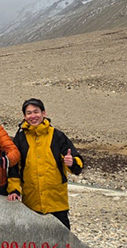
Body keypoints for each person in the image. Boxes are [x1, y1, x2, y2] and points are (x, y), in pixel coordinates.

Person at [7, 98, 84, 230]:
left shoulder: (57, 136)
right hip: (31, 202)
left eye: (36, 112)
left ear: (44, 113)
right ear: (24, 117)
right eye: (29, 113)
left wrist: (72, 163)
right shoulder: (20, 139)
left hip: (57, 202)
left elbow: (78, 163)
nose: (33, 116)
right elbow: (14, 168)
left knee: (61, 243)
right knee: (34, 243)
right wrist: (14, 190)